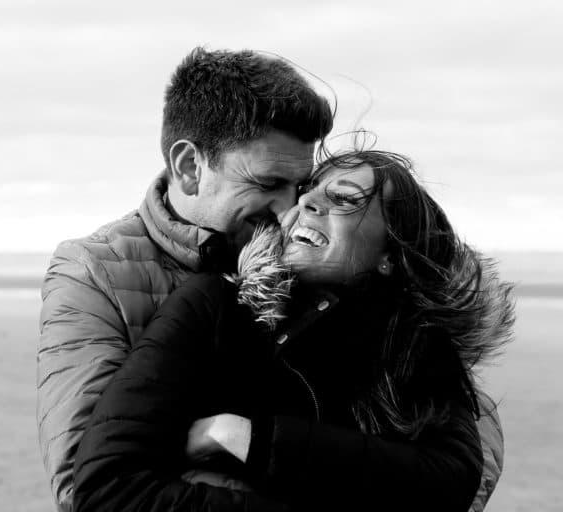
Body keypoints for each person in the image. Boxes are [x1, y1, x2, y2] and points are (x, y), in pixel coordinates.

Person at [72, 150, 515, 512]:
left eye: (343, 199)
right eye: (307, 192)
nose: (305, 203)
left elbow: (448, 482)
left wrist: (241, 436)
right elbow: (106, 487)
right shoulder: (214, 304)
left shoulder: (416, 346)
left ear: (391, 254)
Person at [37, 47, 334, 512]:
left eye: (300, 186)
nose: (290, 211)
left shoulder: (317, 253)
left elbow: (450, 443)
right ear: (190, 167)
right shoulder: (94, 271)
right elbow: (88, 481)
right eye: (268, 183)